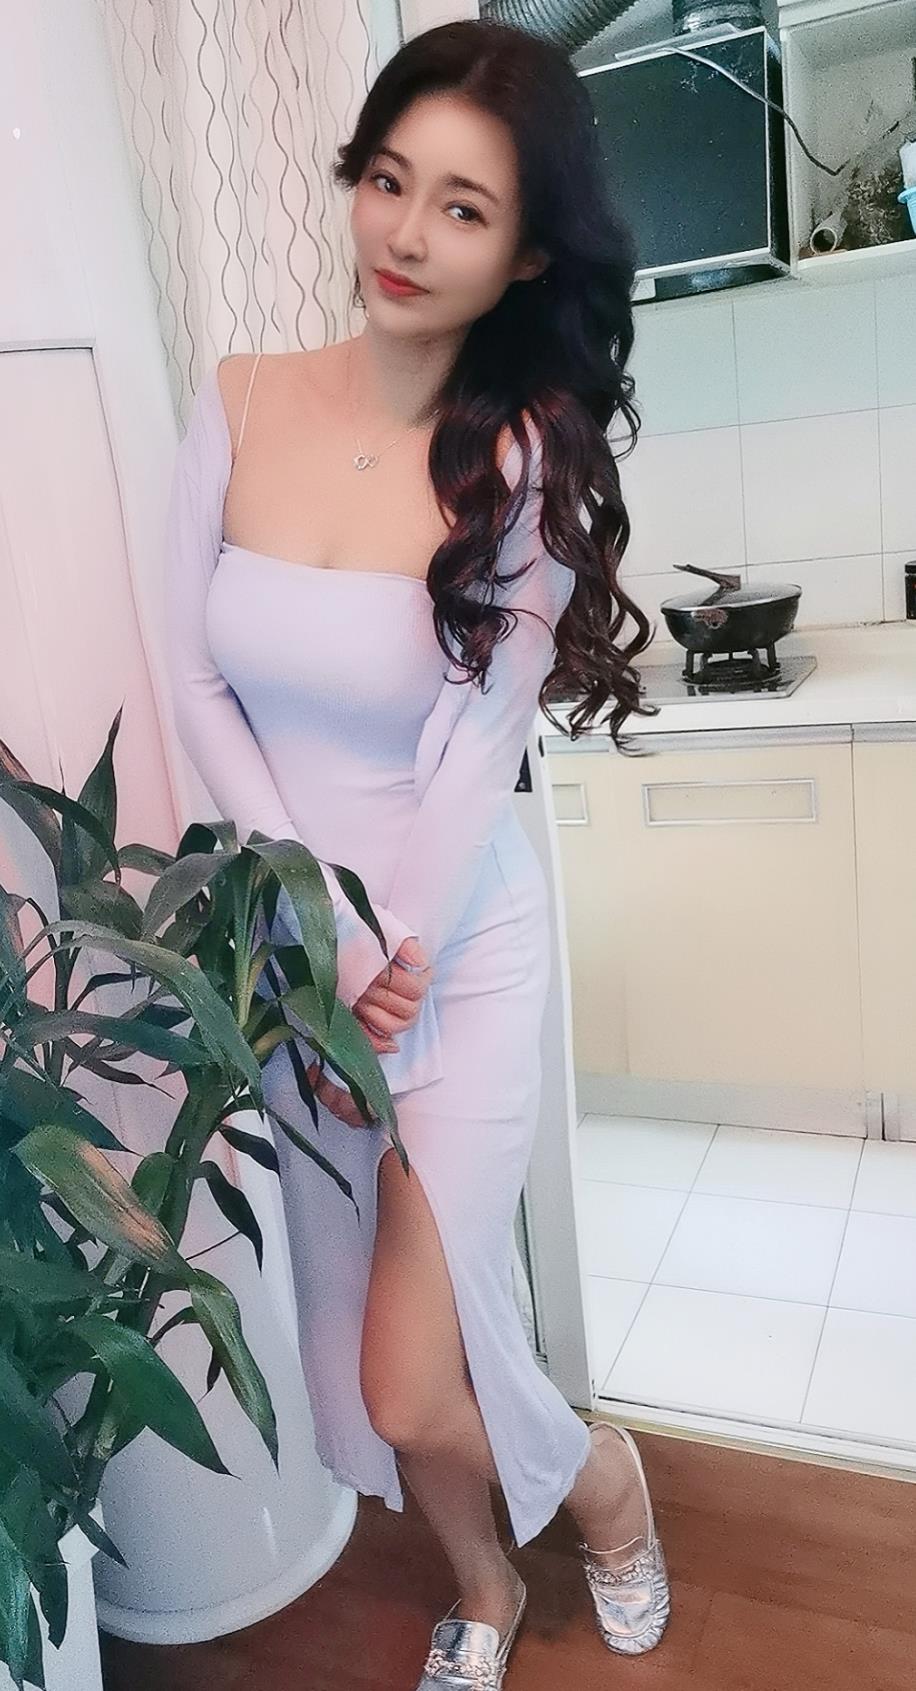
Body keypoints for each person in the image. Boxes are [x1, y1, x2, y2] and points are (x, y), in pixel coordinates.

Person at [164, 18, 668, 1687]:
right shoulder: (239, 399)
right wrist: (312, 919)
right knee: (373, 1361)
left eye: (462, 207)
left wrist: (392, 945)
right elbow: (194, 676)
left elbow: (484, 736)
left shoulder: (522, 453)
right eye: (389, 180)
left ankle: (603, 1487)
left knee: (407, 1368)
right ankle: (485, 1586)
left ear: (524, 253)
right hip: (297, 951)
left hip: (448, 946)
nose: (404, 232)